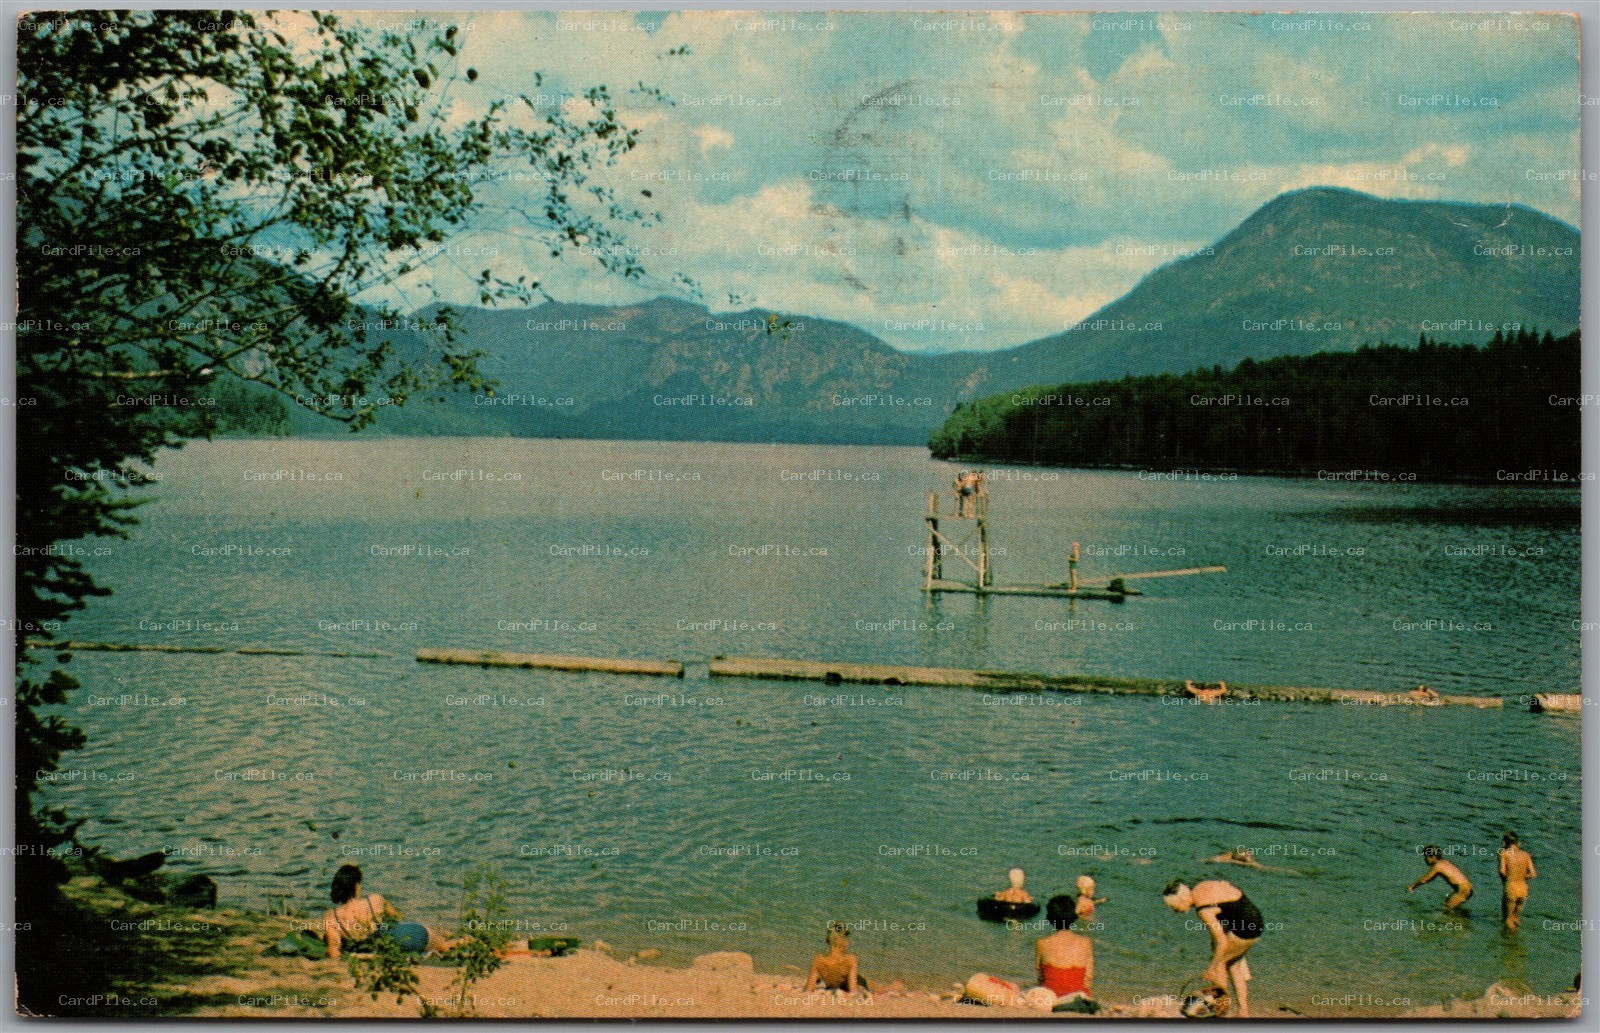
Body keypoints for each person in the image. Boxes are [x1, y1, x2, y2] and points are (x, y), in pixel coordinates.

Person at [1163, 879, 1262, 1019]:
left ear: (1183, 898)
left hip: (1244, 928)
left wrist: (1212, 967)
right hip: (1254, 918)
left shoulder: (1203, 910)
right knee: (1233, 965)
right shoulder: (1200, 886)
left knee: (1220, 964)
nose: (1177, 912)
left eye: (1175, 907)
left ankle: (1220, 1012)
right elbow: (1230, 893)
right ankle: (1243, 1012)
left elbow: (1221, 941)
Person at [323, 864, 451, 960]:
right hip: (407, 934)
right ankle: (463, 941)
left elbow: (334, 951)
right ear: (356, 885)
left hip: (384, 947)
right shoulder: (375, 900)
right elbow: (396, 918)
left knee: (442, 942)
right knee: (445, 945)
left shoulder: (332, 917)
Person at [1036, 894, 1096, 1009]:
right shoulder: (1086, 942)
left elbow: (1040, 978)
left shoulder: (1041, 943)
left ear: (1049, 918)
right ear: (1073, 916)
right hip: (1078, 998)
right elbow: (1088, 980)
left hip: (1051, 998)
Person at [805, 922, 867, 994]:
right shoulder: (851, 959)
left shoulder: (818, 959)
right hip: (848, 985)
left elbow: (808, 988)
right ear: (846, 943)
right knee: (864, 981)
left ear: (828, 941)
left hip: (831, 985)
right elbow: (853, 990)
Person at [1408, 845, 1473, 910]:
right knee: (1447, 904)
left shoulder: (1438, 866)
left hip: (1463, 889)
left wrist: (1412, 886)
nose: (1425, 859)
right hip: (1466, 888)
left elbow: (1425, 880)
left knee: (1447, 910)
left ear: (1433, 857)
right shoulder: (1444, 862)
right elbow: (1431, 878)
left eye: (1426, 857)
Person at [1498, 832, 1537, 930]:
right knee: (1516, 919)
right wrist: (1521, 876)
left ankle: (1507, 942)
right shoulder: (1526, 855)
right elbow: (1533, 874)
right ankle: (1516, 943)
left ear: (1505, 843)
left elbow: (1502, 871)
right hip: (1523, 888)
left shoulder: (1504, 853)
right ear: (1518, 843)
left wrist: (1509, 878)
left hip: (1511, 886)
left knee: (1507, 920)